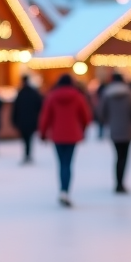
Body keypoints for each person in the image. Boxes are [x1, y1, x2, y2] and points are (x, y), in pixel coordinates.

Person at [38, 73, 92, 207]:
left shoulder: (52, 97)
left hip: (57, 135)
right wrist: (83, 129)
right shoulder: (78, 97)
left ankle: (62, 190)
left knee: (61, 163)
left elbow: (46, 116)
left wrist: (43, 133)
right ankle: (66, 191)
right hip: (72, 135)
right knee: (68, 163)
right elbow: (86, 116)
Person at [97, 73, 131, 194]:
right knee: (124, 156)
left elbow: (101, 112)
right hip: (127, 129)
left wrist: (109, 120)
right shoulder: (130, 94)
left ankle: (117, 182)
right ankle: (121, 182)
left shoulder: (107, 93)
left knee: (117, 156)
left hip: (114, 129)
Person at [11, 75, 43, 164]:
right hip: (31, 119)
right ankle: (28, 155)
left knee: (25, 139)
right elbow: (39, 105)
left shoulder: (20, 93)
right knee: (29, 138)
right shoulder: (33, 92)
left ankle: (27, 154)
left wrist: (14, 119)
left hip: (22, 120)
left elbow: (16, 108)